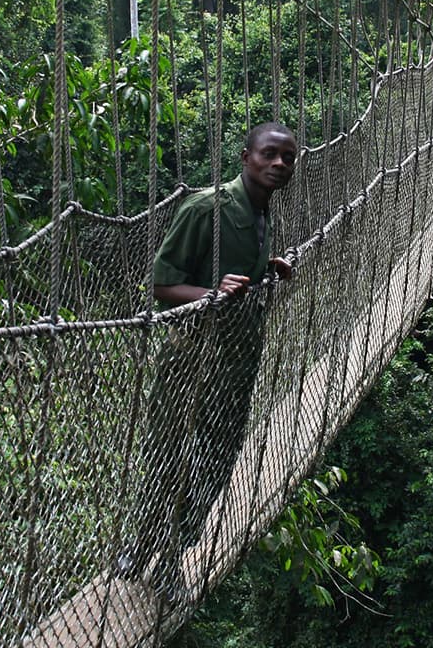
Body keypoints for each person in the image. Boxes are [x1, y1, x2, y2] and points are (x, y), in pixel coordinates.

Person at [117, 122, 298, 602]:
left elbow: (235, 269)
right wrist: (211, 294)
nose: (279, 164)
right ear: (245, 157)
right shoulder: (205, 209)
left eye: (288, 158)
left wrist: (266, 267)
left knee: (215, 462)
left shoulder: (262, 211)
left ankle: (170, 558)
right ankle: (142, 546)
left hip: (235, 365)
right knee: (168, 455)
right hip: (189, 360)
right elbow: (161, 285)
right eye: (269, 154)